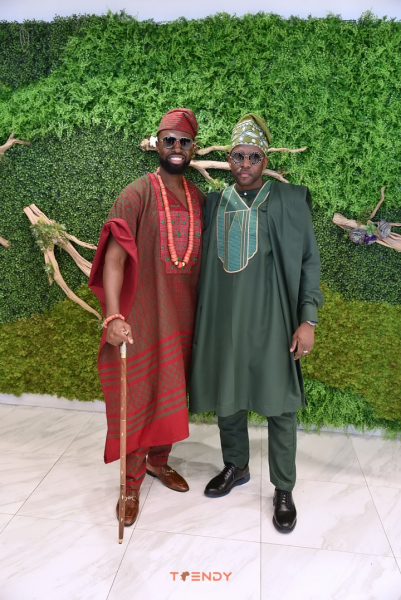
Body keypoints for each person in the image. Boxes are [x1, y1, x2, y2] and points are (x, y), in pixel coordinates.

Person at [189, 113, 323, 533]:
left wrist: (308, 319)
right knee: (228, 400)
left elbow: (308, 262)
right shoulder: (214, 204)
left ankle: (283, 488)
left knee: (281, 407)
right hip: (225, 324)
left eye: (253, 157)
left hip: (274, 323)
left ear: (265, 160)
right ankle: (237, 466)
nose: (245, 164)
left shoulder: (289, 201)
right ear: (229, 159)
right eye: (238, 156)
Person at [89, 108, 205, 526]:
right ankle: (130, 484)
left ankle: (158, 461)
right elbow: (114, 260)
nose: (176, 148)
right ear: (157, 143)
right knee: (139, 396)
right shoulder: (135, 194)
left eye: (184, 142)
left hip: (185, 316)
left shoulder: (199, 198)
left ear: (193, 148)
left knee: (173, 390)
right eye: (168, 140)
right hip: (144, 315)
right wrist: (113, 316)